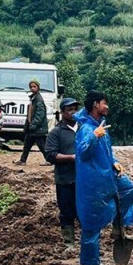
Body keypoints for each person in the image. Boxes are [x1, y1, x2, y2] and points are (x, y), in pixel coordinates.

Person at [75, 91, 133, 265]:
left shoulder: (101, 126)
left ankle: (118, 225)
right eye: (104, 103)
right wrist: (94, 135)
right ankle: (90, 261)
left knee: (129, 191)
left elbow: (107, 153)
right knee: (92, 219)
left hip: (107, 175)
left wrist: (114, 162)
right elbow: (83, 152)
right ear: (96, 105)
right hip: (93, 180)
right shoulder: (87, 129)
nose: (107, 106)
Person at [45, 98, 80, 249]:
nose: (73, 112)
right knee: (66, 211)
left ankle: (87, 242)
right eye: (69, 110)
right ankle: (69, 243)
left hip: (83, 179)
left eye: (75, 109)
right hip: (64, 178)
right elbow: (50, 155)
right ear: (62, 113)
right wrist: (71, 158)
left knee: (84, 210)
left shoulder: (84, 129)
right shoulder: (56, 133)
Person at [15, 79, 50, 166]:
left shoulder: (38, 99)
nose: (32, 88)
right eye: (31, 87)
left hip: (37, 128)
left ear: (38, 88)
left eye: (34, 86)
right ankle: (23, 160)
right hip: (33, 127)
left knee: (41, 145)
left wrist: (33, 125)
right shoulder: (34, 98)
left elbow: (40, 114)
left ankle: (49, 160)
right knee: (27, 144)